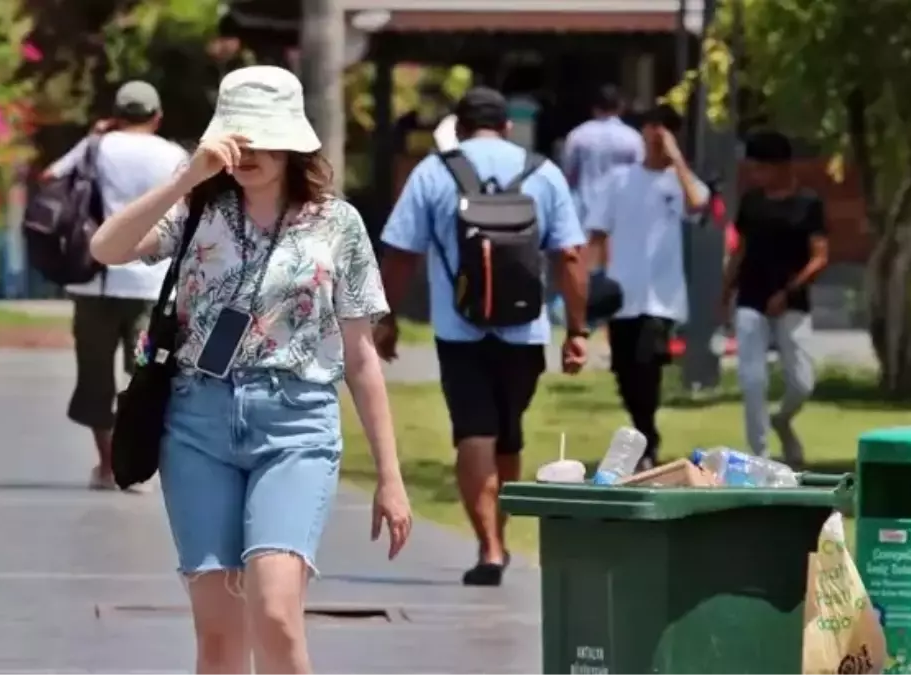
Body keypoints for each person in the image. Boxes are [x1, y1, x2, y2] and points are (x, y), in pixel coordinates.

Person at [89, 65, 413, 675]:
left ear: (293, 142)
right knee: (217, 638)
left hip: (295, 426)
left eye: (262, 139)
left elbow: (361, 356)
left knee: (275, 612)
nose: (248, 153)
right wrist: (190, 175)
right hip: (196, 424)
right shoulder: (195, 212)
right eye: (236, 138)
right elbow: (106, 248)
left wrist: (389, 476)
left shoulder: (337, 224)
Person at [375, 86, 589, 587]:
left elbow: (401, 253)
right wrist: (576, 330)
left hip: (459, 330)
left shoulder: (434, 171)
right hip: (525, 330)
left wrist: (386, 319)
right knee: (508, 435)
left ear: (461, 125)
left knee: (475, 432)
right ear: (507, 127)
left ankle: (489, 547)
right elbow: (571, 257)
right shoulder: (544, 173)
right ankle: (500, 534)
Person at [43, 80, 188, 491]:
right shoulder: (174, 155)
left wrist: (95, 136)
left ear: (117, 115)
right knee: (145, 375)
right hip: (151, 285)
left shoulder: (97, 147)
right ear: (157, 116)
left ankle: (108, 466)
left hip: (96, 282)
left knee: (96, 378)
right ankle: (139, 465)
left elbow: (50, 176)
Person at [586, 104, 710, 469]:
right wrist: (589, 282)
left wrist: (676, 159)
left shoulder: (680, 181)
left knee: (647, 366)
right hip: (621, 294)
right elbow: (597, 233)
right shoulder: (619, 180)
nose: (656, 137)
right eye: (652, 129)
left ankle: (647, 440)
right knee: (626, 372)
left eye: (665, 130)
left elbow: (698, 203)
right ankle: (644, 432)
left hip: (662, 297)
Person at [721, 130, 827, 465]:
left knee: (802, 382)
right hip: (751, 298)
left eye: (760, 168)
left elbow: (820, 256)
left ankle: (782, 419)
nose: (755, 175)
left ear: (781, 166)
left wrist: (789, 291)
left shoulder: (808, 204)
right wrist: (725, 290)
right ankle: (761, 455)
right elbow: (741, 250)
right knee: (752, 380)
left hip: (791, 302)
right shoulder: (752, 202)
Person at [562, 84, 644, 223]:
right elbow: (641, 175)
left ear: (594, 108)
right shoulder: (633, 138)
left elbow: (569, 175)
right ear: (620, 107)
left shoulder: (578, 135)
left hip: (585, 215)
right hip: (621, 215)